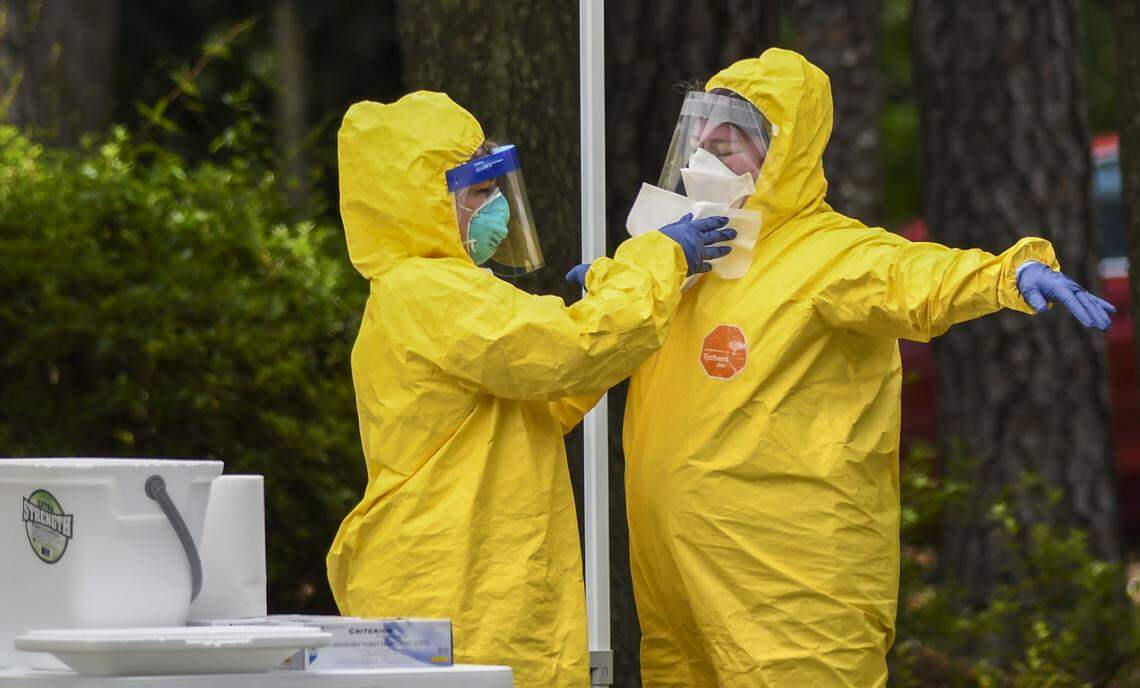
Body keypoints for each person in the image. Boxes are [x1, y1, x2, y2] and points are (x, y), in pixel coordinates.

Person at [618, 48, 1114, 687]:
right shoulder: (683, 262)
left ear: (783, 156)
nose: (707, 162)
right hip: (679, 583)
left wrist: (1007, 273)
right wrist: (619, 287)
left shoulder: (828, 256)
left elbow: (911, 277)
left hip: (791, 588)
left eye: (732, 145)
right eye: (700, 143)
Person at [325, 90, 734, 688]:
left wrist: (609, 311)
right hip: (458, 580)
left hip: (460, 572)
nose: (497, 211)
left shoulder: (432, 293)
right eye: (478, 194)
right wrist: (657, 260)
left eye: (496, 191)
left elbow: (540, 402)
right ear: (421, 203)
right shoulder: (429, 291)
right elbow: (570, 353)